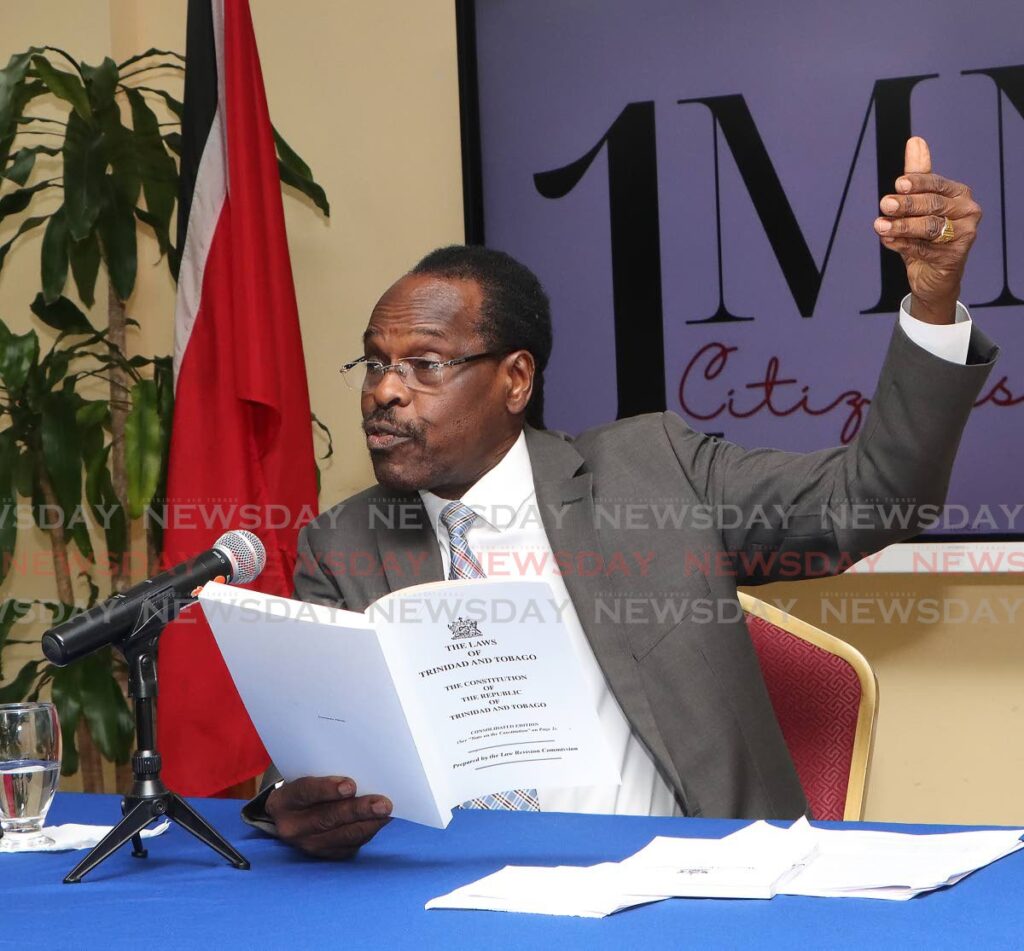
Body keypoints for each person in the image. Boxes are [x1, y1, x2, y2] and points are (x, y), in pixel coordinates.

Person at [242, 137, 996, 859]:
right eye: (373, 363)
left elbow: (871, 499)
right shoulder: (343, 545)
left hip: (684, 888)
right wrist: (292, 800)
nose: (383, 390)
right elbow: (313, 746)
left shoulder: (651, 472)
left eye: (424, 365)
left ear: (515, 380)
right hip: (451, 898)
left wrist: (932, 306)